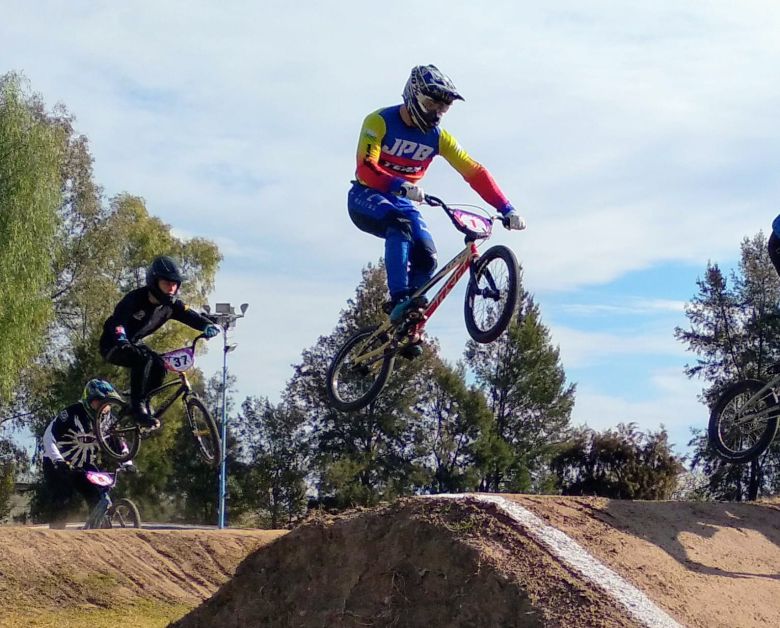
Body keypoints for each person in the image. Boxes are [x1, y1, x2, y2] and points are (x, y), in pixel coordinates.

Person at [347, 64, 524, 341]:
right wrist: (398, 184)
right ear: (413, 96)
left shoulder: (439, 138)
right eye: (431, 103)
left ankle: (410, 320)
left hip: (404, 201)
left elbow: (474, 172)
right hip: (366, 195)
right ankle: (398, 301)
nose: (437, 113)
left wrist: (506, 208)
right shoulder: (379, 121)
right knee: (400, 225)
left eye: (443, 108)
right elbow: (365, 168)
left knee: (428, 256)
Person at [99, 255, 220, 428]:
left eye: (175, 284)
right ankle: (137, 407)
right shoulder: (134, 299)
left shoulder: (171, 306)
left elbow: (191, 316)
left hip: (134, 342)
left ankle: (143, 399)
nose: (172, 288)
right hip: (112, 344)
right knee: (141, 360)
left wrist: (207, 326)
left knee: (159, 365)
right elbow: (118, 323)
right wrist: (122, 341)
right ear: (154, 282)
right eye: (167, 283)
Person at [41, 379, 130, 528]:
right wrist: (58, 460)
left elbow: (120, 444)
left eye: (107, 403)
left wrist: (127, 463)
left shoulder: (109, 421)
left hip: (84, 464)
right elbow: (48, 437)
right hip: (57, 462)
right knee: (63, 498)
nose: (103, 406)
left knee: (97, 496)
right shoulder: (71, 414)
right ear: (88, 400)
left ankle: (95, 536)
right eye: (98, 401)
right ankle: (56, 538)